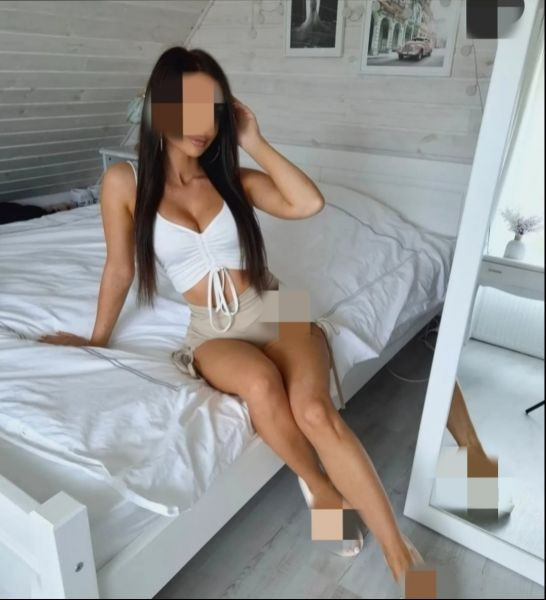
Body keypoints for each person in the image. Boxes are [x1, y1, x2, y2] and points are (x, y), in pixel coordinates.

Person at [38, 46, 430, 593]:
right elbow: (120, 268)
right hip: (209, 326)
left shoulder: (232, 178)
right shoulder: (125, 182)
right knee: (261, 385)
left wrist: (255, 141)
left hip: (275, 305)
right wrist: (95, 339)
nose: (202, 123)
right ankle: (319, 488)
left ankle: (400, 555)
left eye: (213, 108)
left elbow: (309, 204)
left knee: (315, 411)